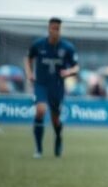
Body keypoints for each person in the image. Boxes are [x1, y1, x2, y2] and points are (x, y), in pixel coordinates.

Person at [24, 18, 79, 158]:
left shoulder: (67, 47)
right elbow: (28, 59)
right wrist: (30, 73)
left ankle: (58, 137)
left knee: (55, 119)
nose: (55, 31)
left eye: (58, 29)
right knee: (41, 110)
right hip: (41, 85)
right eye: (53, 28)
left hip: (57, 86)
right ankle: (38, 148)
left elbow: (76, 67)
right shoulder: (38, 45)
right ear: (48, 29)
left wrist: (69, 72)